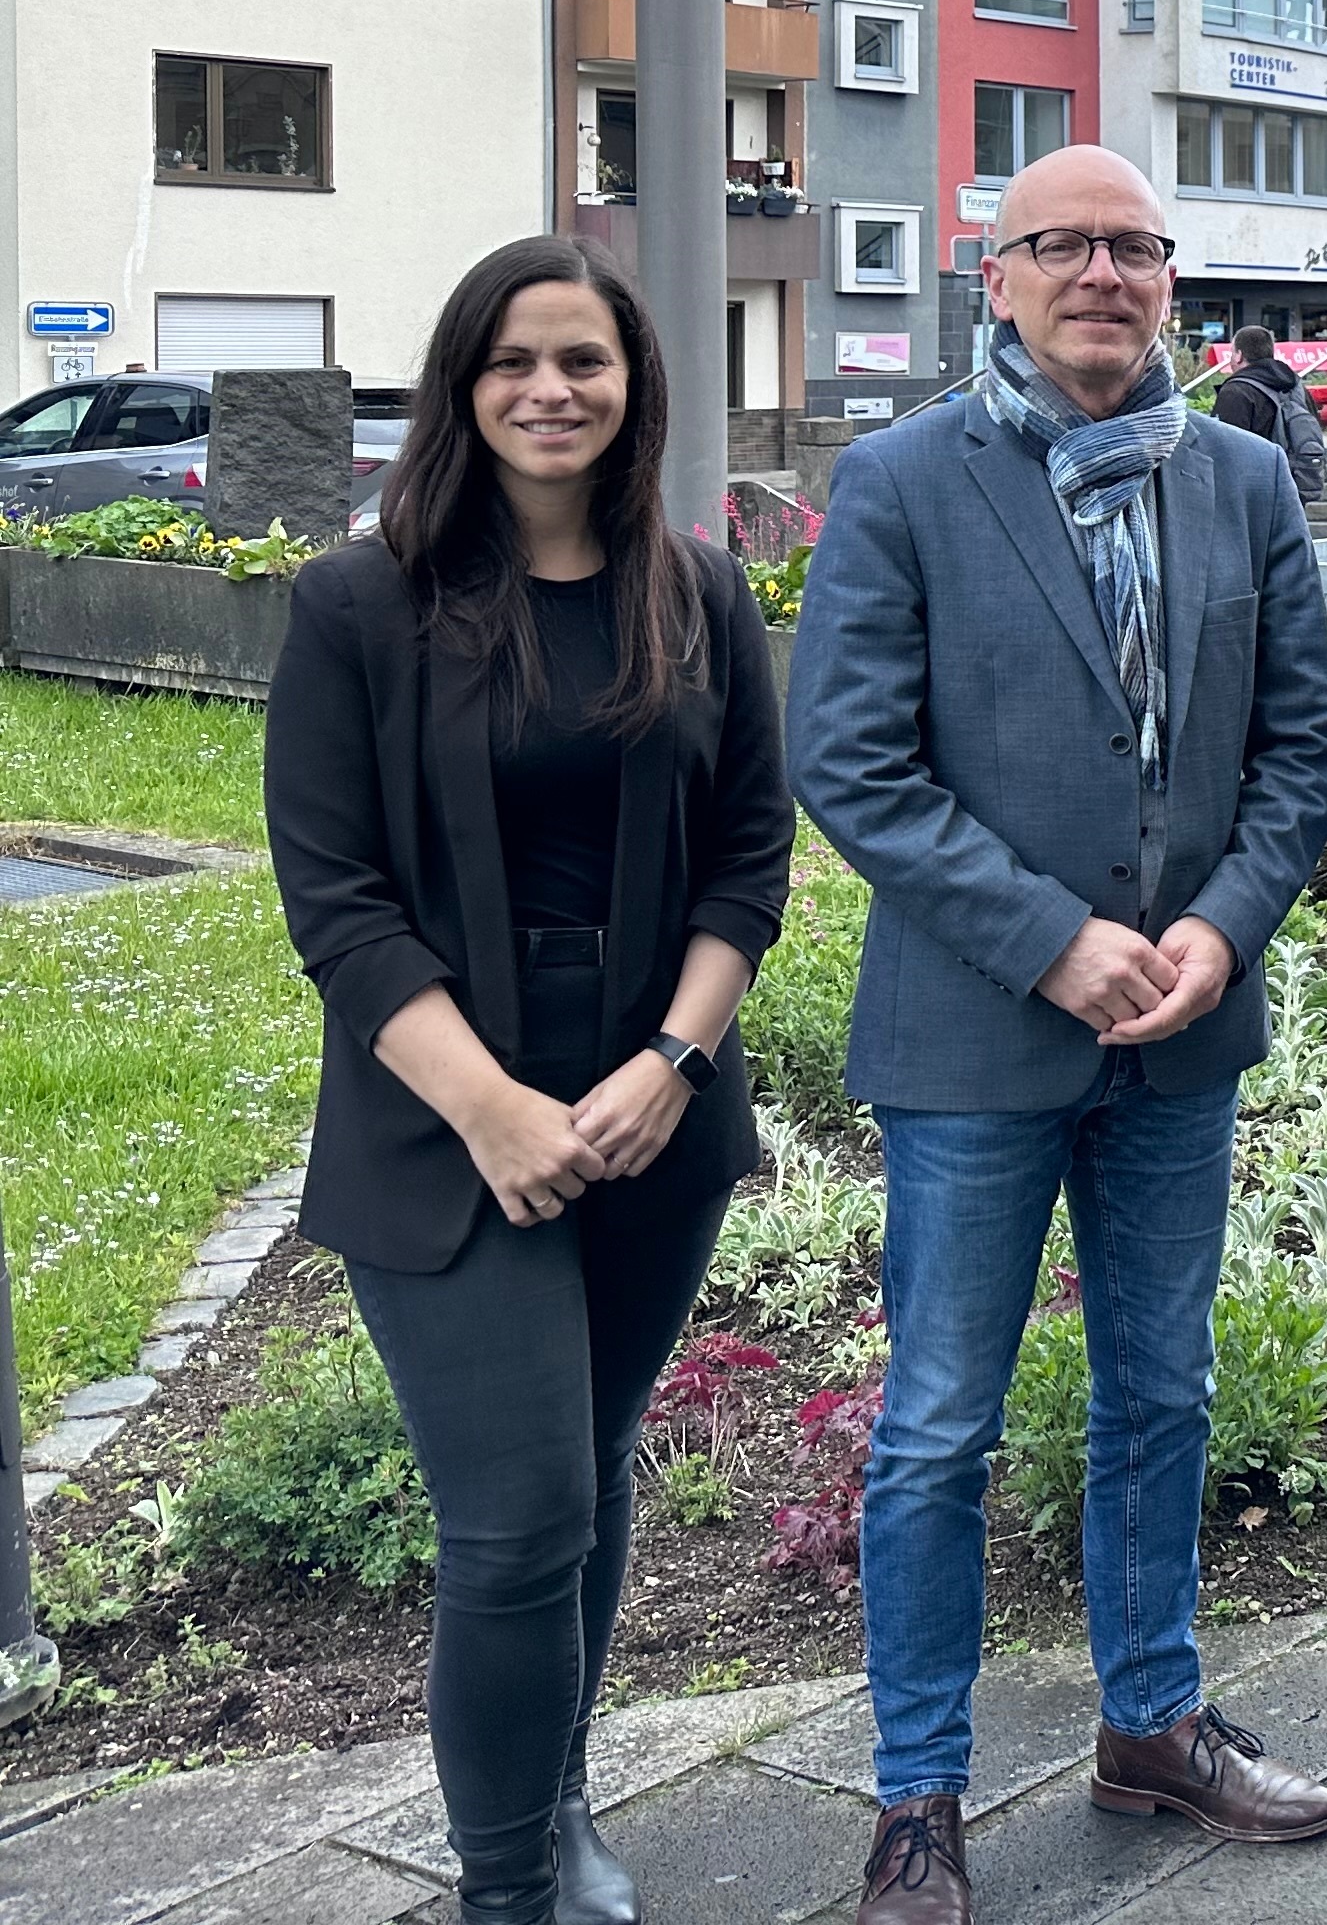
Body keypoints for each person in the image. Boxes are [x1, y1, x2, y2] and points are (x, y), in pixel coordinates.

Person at [791, 147, 1327, 1925]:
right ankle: (917, 1795)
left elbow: (1299, 752)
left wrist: (1210, 926)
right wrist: (1053, 941)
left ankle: (1150, 1715)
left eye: (1133, 244)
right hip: (974, 1036)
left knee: (1161, 1391)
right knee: (940, 1423)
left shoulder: (1246, 478)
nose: (1102, 268)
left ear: (1169, 279)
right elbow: (852, 760)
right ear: (1000, 272)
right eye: (1065, 242)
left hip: (1181, 1026)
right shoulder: (896, 480)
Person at [266, 237, 794, 1925]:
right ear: (459, 385)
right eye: (512, 359)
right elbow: (333, 898)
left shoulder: (697, 590)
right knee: (516, 1514)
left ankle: (557, 1800)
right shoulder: (358, 602)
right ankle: (506, 1886)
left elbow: (750, 858)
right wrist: (488, 1103)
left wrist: (672, 1057)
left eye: (583, 357)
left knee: (593, 1453)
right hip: (443, 1115)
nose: (549, 387)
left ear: (635, 380)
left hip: (653, 1103)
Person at [1207, 325, 1327, 503]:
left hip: (1253, 496)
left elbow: (1223, 451)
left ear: (1239, 355)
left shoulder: (1237, 391)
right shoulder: (1297, 387)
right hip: (1293, 487)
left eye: (1232, 352)